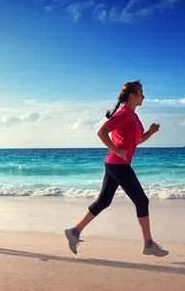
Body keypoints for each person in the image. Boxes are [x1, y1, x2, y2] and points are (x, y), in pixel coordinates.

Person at [64, 80, 169, 257]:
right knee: (142, 201)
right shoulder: (124, 114)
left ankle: (74, 232)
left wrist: (149, 133)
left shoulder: (134, 117)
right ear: (132, 96)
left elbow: (136, 141)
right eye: (141, 93)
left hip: (115, 163)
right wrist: (116, 150)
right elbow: (101, 132)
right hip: (118, 164)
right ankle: (148, 244)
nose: (143, 96)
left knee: (104, 201)